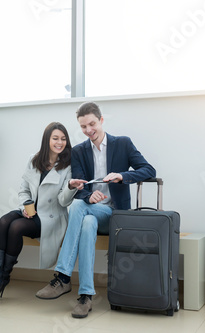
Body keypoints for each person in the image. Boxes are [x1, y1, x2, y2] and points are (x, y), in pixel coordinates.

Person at [35, 102, 156, 318]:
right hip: (90, 212)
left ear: (101, 120)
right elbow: (81, 189)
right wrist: (88, 195)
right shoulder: (80, 151)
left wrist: (122, 176)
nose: (88, 130)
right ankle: (86, 296)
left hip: (114, 214)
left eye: (92, 124)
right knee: (86, 218)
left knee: (80, 208)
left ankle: (63, 277)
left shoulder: (123, 144)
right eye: (83, 127)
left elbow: (148, 170)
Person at [0, 122, 87, 305]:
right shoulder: (34, 159)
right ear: (47, 140)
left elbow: (63, 201)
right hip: (30, 211)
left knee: (16, 227)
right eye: (55, 138)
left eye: (63, 139)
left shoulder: (68, 165)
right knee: (4, 221)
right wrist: (25, 206)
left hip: (51, 217)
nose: (59, 142)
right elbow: (23, 189)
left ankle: (0, 281)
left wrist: (70, 187)